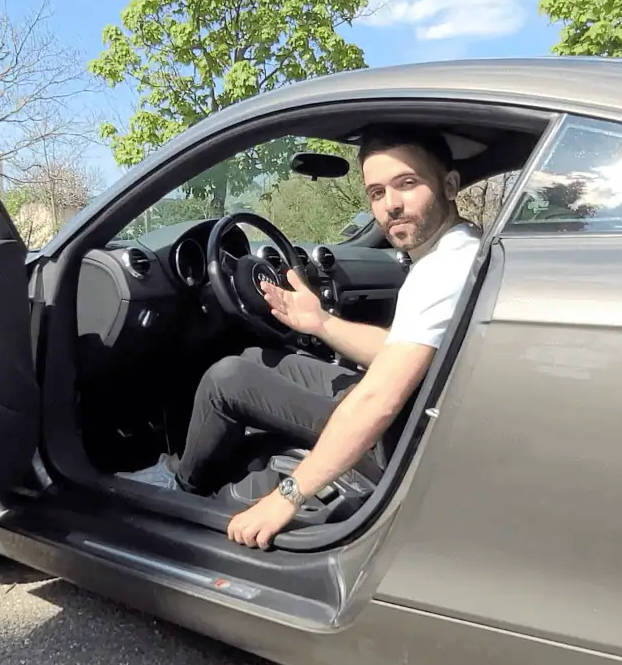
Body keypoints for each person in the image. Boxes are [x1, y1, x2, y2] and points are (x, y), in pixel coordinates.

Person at [119, 125, 483, 549]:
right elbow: (400, 352)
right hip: (421, 413)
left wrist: (285, 497)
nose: (391, 204)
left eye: (407, 183)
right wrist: (320, 323)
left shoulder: (442, 271)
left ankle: (180, 485)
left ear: (450, 185)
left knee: (227, 380)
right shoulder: (460, 248)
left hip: (401, 442)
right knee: (255, 358)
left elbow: (378, 402)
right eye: (377, 192)